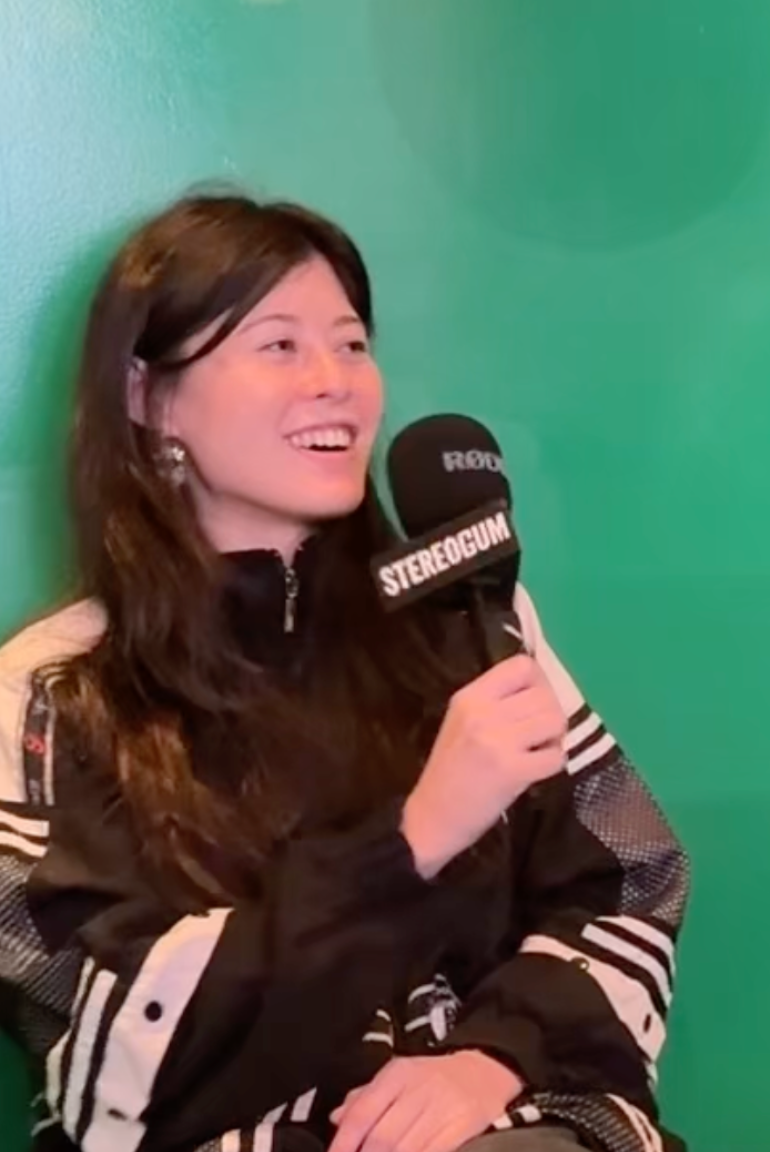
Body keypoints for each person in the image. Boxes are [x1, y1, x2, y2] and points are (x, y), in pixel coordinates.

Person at [0, 194, 689, 1152]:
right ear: (148, 397)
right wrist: (411, 842)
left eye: (353, 345)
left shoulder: (471, 624)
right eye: (279, 346)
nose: (336, 383)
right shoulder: (48, 693)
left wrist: (492, 1056)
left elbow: (630, 880)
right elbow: (108, 1075)